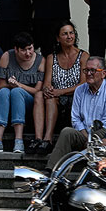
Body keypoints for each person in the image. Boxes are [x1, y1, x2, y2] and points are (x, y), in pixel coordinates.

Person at [45, 56, 106, 170]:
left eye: (93, 70)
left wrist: (91, 140)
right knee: (67, 132)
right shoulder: (79, 90)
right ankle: (52, 170)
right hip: (84, 133)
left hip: (104, 134)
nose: (88, 73)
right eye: (86, 70)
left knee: (104, 136)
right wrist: (87, 138)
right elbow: (75, 118)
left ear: (103, 73)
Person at [0, 32, 45, 154]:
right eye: (23, 50)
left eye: (30, 49)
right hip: (8, 97)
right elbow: (1, 85)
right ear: (16, 49)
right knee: (4, 92)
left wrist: (19, 85)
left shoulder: (40, 60)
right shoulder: (7, 56)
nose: (28, 53)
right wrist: (11, 85)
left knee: (17, 91)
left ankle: (19, 140)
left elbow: (37, 90)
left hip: (29, 100)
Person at [40, 21, 89, 153]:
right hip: (56, 97)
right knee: (49, 98)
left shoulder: (83, 56)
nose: (69, 37)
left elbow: (83, 83)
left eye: (71, 33)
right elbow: (47, 82)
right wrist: (48, 89)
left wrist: (60, 92)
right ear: (58, 38)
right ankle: (47, 139)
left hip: (77, 96)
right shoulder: (51, 57)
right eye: (65, 34)